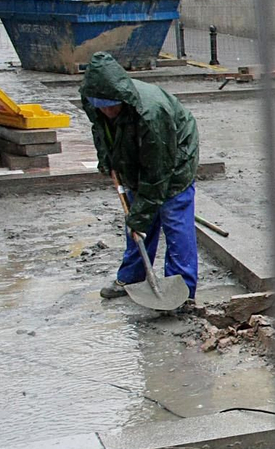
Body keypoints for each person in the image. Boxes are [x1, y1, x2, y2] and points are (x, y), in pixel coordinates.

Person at [80, 51, 202, 305]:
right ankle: (132, 277)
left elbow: (157, 176)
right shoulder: (96, 103)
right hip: (136, 152)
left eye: (112, 105)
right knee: (137, 222)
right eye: (102, 107)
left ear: (121, 96)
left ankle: (183, 290)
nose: (108, 111)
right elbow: (102, 132)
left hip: (174, 155)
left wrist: (140, 214)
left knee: (172, 217)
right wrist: (108, 160)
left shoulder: (152, 113)